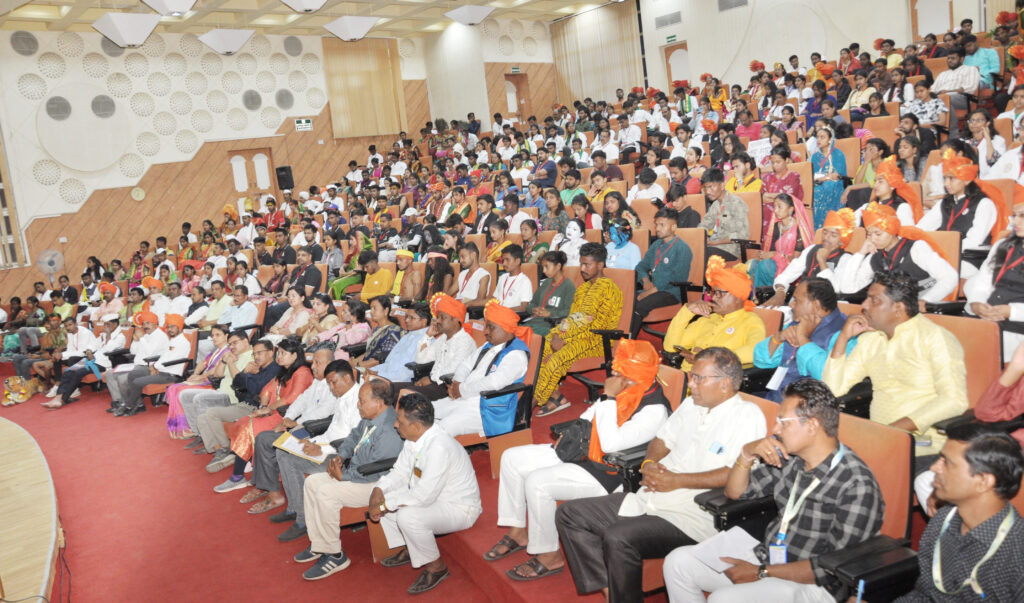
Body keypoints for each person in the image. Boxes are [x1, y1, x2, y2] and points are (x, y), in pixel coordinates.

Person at [555, 348, 767, 601]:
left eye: (700, 378)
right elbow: (661, 439)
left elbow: (735, 474)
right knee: (570, 514)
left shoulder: (747, 416)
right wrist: (649, 462)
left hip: (693, 513)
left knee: (619, 537)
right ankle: (613, 591)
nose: (692, 383)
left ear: (725, 384)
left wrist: (678, 481)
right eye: (692, 376)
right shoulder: (691, 404)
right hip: (651, 495)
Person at [662, 378, 885, 603]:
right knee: (678, 563)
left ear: (812, 425)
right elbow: (734, 492)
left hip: (817, 585)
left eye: (783, 422)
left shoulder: (855, 483)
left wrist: (762, 572)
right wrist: (746, 454)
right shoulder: (791, 458)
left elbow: (832, 568)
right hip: (770, 558)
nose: (775, 429)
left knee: (723, 599)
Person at [488, 340, 671, 581]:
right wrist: (570, 435)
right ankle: (518, 531)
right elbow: (587, 417)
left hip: (610, 472)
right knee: (512, 458)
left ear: (636, 373)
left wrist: (608, 397)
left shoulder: (654, 410)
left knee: (537, 482)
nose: (613, 373)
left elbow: (610, 444)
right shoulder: (625, 390)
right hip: (585, 453)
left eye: (620, 370)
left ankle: (549, 554)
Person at [823, 271, 968, 473]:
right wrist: (843, 339)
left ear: (898, 308)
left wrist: (896, 429)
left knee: (851, 474)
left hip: (923, 443)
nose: (864, 305)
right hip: (879, 440)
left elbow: (955, 400)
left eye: (874, 300)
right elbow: (834, 388)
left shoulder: (935, 338)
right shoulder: (871, 340)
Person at [368, 393, 482, 595]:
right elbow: (400, 472)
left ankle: (436, 567)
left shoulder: (439, 447)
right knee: (385, 492)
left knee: (407, 515)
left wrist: (385, 505)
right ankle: (410, 547)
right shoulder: (415, 438)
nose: (395, 425)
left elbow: (423, 497)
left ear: (416, 426)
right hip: (434, 498)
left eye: (400, 421)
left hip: (459, 508)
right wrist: (379, 490)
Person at [897, 424, 1024, 602]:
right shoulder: (942, 521)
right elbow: (925, 595)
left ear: (983, 481)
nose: (934, 468)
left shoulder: (1017, 553)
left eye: (946, 462)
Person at [294, 377, 405, 581]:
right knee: (312, 483)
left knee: (327, 493)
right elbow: (353, 437)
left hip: (376, 484)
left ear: (378, 403)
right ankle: (320, 544)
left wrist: (343, 476)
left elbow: (375, 469)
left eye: (362, 401)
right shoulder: (370, 417)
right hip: (358, 474)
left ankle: (335, 555)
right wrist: (340, 456)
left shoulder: (389, 429)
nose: (358, 404)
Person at [242, 359, 363, 528]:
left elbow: (350, 441)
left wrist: (321, 448)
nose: (332, 388)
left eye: (334, 383)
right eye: (329, 384)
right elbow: (331, 433)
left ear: (348, 379)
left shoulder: (360, 402)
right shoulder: (343, 396)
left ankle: (302, 519)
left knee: (289, 459)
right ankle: (293, 507)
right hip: (325, 444)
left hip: (339, 456)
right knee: (282, 450)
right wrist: (309, 442)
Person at [534, 243, 622, 417]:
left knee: (555, 360)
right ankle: (556, 397)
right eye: (581, 264)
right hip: (575, 337)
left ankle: (529, 406)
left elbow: (590, 324)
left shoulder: (608, 288)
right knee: (539, 353)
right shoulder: (583, 288)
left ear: (600, 265)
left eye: (587, 264)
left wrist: (564, 340)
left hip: (596, 340)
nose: (582, 269)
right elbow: (572, 319)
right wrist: (557, 335)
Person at [211, 338, 314, 482]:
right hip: (275, 410)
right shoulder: (285, 370)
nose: (279, 357)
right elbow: (268, 389)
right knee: (243, 421)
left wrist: (268, 409)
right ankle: (244, 457)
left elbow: (292, 398)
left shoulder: (302, 372)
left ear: (295, 355)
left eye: (283, 354)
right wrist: (264, 404)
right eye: (279, 353)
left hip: (288, 415)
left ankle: (237, 475)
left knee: (248, 427)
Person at [432, 300, 530, 437]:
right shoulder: (488, 346)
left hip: (487, 408)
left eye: (491, 327)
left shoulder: (516, 355)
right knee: (423, 413)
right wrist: (456, 384)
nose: (486, 331)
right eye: (486, 326)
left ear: (506, 329)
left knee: (441, 429)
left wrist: (462, 389)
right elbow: (465, 365)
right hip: (465, 399)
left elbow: (494, 383)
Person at [663, 256, 766, 371]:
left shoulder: (751, 321)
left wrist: (711, 358)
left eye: (720, 293)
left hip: (715, 383)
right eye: (714, 292)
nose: (714, 297)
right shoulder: (707, 318)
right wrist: (687, 311)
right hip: (687, 379)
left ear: (738, 297)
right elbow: (670, 346)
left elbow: (754, 351)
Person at [918, 154, 1006, 278]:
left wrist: (942, 250)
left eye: (951, 178)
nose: (946, 183)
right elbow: (922, 228)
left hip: (969, 260)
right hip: (942, 255)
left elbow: (975, 240)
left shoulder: (984, 204)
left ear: (967, 180)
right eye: (945, 178)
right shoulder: (945, 202)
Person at [191, 337, 279, 460]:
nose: (256, 357)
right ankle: (216, 448)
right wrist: (245, 373)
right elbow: (236, 384)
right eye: (254, 354)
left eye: (260, 353)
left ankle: (226, 448)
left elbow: (256, 389)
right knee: (202, 418)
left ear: (270, 352)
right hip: (243, 404)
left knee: (211, 413)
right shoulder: (257, 367)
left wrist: (248, 375)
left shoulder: (274, 369)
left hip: (253, 407)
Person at [965, 194, 1024, 361]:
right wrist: (976, 304)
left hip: (1018, 328)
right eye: (1014, 215)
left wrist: (1012, 311)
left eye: (1022, 216)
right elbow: (982, 281)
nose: (1015, 222)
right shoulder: (1003, 246)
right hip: (988, 321)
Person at [395, 293, 477, 401]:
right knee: (388, 388)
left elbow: (454, 370)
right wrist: (428, 336)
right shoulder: (443, 338)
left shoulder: (466, 342)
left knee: (402, 395)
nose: (437, 321)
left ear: (456, 320)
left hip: (446, 387)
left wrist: (430, 379)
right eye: (438, 317)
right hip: (433, 383)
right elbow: (421, 359)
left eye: (442, 317)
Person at [766, 209, 856, 306]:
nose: (826, 237)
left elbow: (836, 290)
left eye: (833, 235)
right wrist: (780, 292)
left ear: (842, 241)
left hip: (823, 308)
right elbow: (787, 275)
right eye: (825, 232)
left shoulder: (846, 259)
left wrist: (822, 262)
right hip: (798, 302)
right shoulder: (812, 249)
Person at [631, 208, 693, 336]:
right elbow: (641, 266)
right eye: (656, 225)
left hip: (672, 293)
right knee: (627, 299)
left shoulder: (682, 248)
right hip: (653, 289)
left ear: (674, 227)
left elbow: (676, 278)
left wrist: (648, 292)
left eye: (662, 225)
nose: (657, 228)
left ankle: (626, 343)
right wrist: (645, 280)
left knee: (639, 306)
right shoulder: (656, 245)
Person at [746, 193, 814, 289]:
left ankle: (765, 296)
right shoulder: (776, 226)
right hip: (777, 263)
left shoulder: (799, 229)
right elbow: (772, 251)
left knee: (764, 265)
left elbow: (797, 260)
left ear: (791, 209)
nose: (776, 210)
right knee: (752, 264)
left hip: (791, 268)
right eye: (774, 207)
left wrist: (775, 255)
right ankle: (757, 295)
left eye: (780, 207)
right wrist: (765, 254)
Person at [698, 168, 749, 260]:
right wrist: (701, 236)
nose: (708, 192)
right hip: (714, 246)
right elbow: (705, 225)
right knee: (694, 250)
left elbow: (742, 235)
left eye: (711, 187)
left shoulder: (736, 203)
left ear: (722, 185)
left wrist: (715, 242)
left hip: (730, 249)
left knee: (703, 254)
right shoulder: (715, 205)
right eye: (705, 188)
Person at [522, 250, 576, 337]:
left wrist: (549, 313)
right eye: (542, 267)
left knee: (522, 333)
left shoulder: (568, 286)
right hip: (534, 322)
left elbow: (569, 311)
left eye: (547, 267)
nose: (543, 271)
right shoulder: (546, 282)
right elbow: (531, 304)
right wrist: (534, 309)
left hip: (550, 326)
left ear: (558, 266)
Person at [930, 47, 981, 138]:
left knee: (945, 99)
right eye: (948, 58)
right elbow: (932, 90)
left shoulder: (971, 69)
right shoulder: (943, 74)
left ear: (961, 59)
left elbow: (970, 88)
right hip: (942, 98)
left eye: (953, 58)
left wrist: (947, 92)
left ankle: (953, 133)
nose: (950, 61)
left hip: (963, 98)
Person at [810, 125, 847, 229]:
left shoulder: (838, 154)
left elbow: (837, 176)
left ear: (830, 139)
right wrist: (823, 178)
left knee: (827, 186)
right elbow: (811, 174)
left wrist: (822, 178)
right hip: (818, 183)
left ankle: (826, 224)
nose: (819, 140)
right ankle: (816, 227)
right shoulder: (815, 156)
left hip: (835, 184)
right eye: (817, 137)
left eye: (823, 137)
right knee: (814, 190)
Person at [493, 244, 533, 311]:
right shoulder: (502, 277)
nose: (504, 264)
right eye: (503, 260)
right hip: (498, 314)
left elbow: (524, 307)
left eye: (507, 260)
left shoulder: (524, 281)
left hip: (511, 316)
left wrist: (504, 311)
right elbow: (495, 299)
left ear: (517, 261)